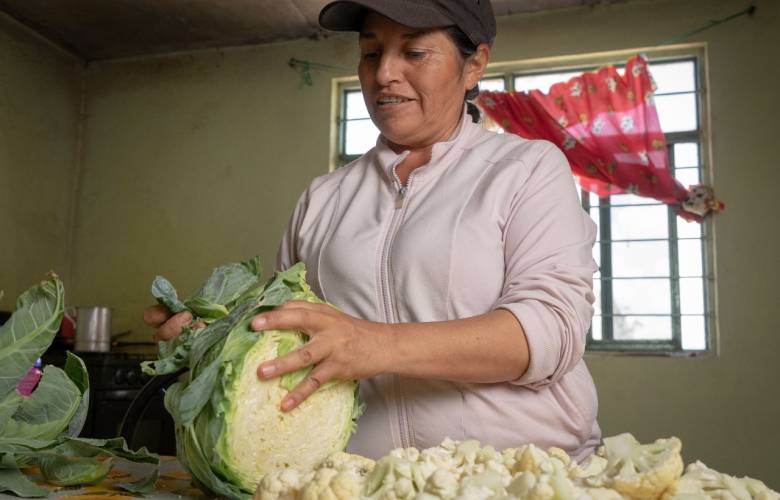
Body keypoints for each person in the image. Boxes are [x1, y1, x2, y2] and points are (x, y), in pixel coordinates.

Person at [145, 0, 601, 462]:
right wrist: (213, 339)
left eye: (415, 53)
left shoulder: (524, 169)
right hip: (362, 478)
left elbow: (551, 332)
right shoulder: (324, 198)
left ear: (474, 65)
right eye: (370, 53)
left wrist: (374, 344)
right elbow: (291, 339)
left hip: (520, 475)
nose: (384, 74)